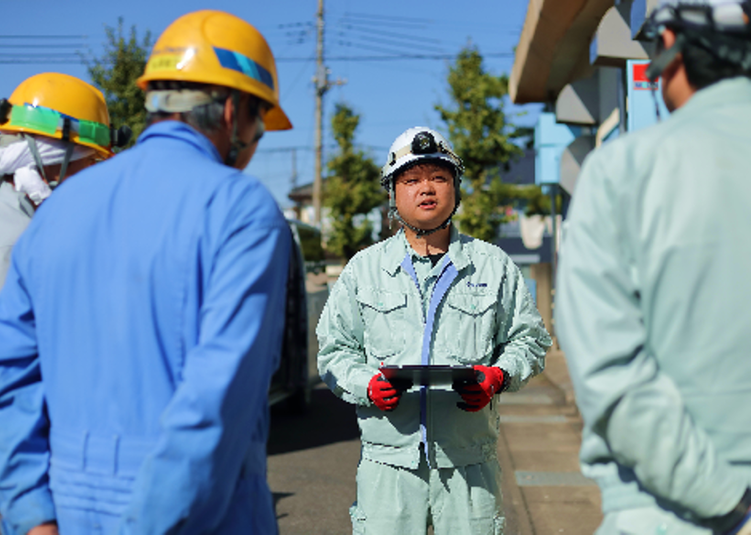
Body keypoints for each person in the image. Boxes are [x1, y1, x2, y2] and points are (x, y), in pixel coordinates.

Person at [0, 10, 292, 535]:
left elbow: (0, 382)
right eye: (260, 124)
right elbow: (216, 406)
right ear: (235, 111)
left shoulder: (59, 210)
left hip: (61, 514)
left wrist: (33, 518)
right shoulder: (240, 209)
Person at [555, 1, 751, 533]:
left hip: (676, 509)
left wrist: (729, 501)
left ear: (669, 50)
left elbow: (610, 373)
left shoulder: (624, 169)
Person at [317, 127, 551, 534]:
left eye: (439, 178)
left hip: (469, 464)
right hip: (387, 464)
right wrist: (367, 385)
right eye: (411, 180)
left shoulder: (491, 265)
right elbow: (334, 351)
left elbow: (529, 340)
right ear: (393, 194)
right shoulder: (363, 269)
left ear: (455, 190)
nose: (426, 189)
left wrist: (498, 376)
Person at [0, 72, 123, 535]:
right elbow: (2, 387)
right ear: (52, 162)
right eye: (91, 164)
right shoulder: (12, 245)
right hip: (13, 499)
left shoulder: (12, 230)